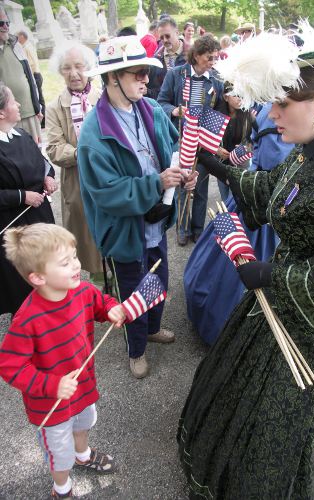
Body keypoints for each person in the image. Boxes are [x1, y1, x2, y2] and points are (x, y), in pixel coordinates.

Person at [177, 38, 314, 498]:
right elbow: (278, 193)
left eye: (283, 105)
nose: (270, 116)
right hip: (281, 307)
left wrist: (273, 276)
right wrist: (222, 170)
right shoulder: (313, 148)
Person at [77, 36, 197, 379]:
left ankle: (153, 328)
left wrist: (186, 173)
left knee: (158, 280)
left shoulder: (150, 109)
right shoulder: (93, 133)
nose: (147, 79)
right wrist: (156, 183)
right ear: (112, 77)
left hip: (155, 221)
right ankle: (136, 350)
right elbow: (106, 193)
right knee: (132, 293)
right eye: (138, 73)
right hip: (126, 232)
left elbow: (173, 146)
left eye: (147, 72)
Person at [0, 223, 126, 499]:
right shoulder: (27, 319)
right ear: (38, 278)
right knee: (59, 454)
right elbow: (10, 366)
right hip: (51, 403)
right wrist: (51, 385)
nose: (76, 266)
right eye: (65, 262)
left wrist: (111, 309)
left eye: (75, 257)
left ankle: (83, 455)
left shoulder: (82, 291)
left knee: (84, 423)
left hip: (82, 386)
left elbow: (99, 303)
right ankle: (62, 488)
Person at [183, 101, 294, 345]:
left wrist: (215, 164)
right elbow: (257, 154)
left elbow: (272, 175)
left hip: (266, 204)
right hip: (253, 197)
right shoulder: (271, 109)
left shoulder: (273, 111)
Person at [158, 35, 223, 245]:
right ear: (196, 55)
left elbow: (221, 109)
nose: (213, 62)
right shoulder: (176, 75)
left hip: (203, 140)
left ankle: (198, 229)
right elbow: (161, 102)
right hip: (181, 138)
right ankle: (182, 229)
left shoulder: (216, 80)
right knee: (183, 185)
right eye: (209, 58)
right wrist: (176, 110)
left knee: (201, 186)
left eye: (215, 58)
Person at [46, 42, 103, 282]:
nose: (74, 73)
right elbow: (54, 147)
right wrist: (83, 153)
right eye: (67, 68)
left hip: (106, 175)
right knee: (83, 235)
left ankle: (114, 276)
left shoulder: (102, 98)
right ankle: (94, 282)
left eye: (79, 66)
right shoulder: (55, 107)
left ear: (89, 68)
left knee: (109, 226)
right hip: (77, 181)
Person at [0, 82, 56, 316]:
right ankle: (26, 323)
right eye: (13, 100)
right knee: (22, 280)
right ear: (1, 112)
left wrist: (48, 177)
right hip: (14, 225)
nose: (20, 104)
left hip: (40, 216)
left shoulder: (21, 134)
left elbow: (41, 163)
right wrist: (22, 196)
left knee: (47, 268)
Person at [0, 7, 42, 144]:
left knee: (35, 151)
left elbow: (30, 77)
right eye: (1, 23)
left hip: (28, 112)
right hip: (6, 119)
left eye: (8, 23)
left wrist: (37, 107)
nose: (6, 27)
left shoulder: (15, 45)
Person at [146, 17, 188, 100]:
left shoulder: (192, 56)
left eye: (167, 36)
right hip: (164, 109)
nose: (164, 40)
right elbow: (152, 90)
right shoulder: (155, 61)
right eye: (161, 37)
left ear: (177, 32)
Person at [16, 30, 46, 128]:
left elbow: (31, 63)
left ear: (22, 37)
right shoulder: (25, 47)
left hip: (35, 75)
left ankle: (43, 121)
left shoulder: (26, 48)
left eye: (17, 36)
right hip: (36, 74)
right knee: (39, 98)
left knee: (39, 99)